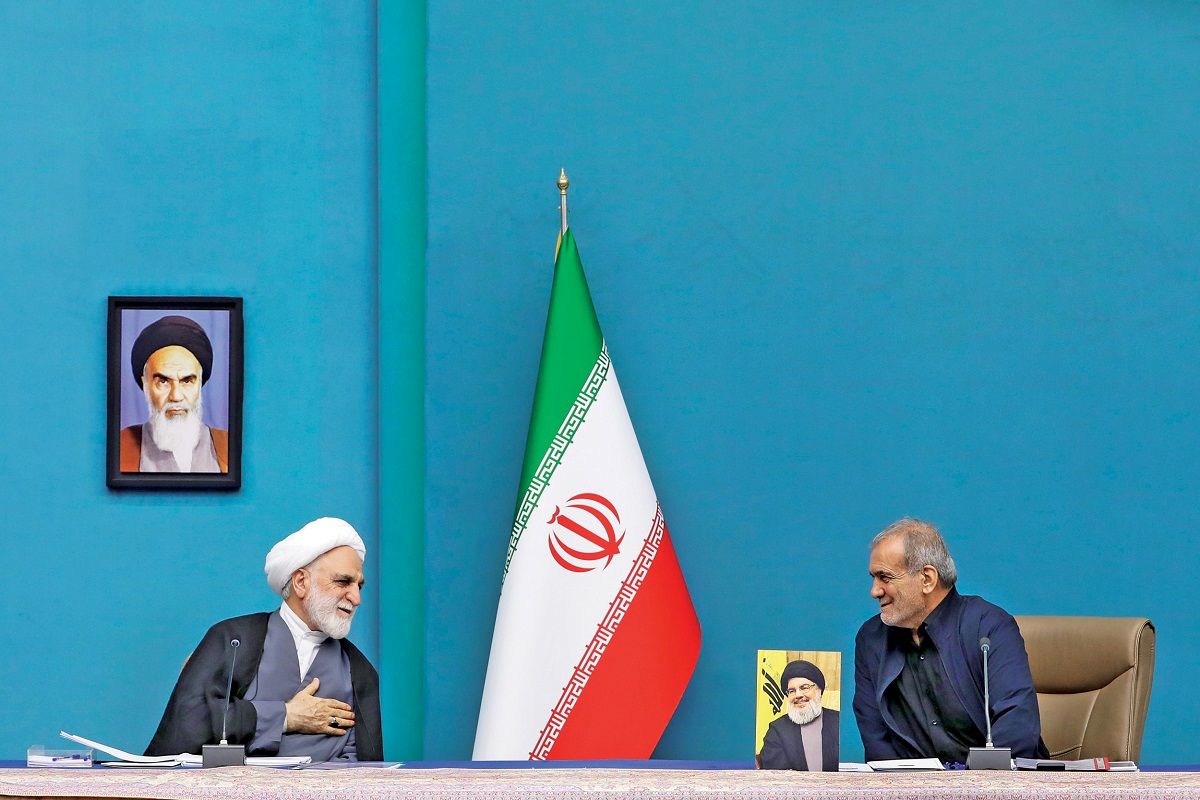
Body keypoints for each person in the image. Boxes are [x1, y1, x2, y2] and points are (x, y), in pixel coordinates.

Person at [146, 518, 383, 761]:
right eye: (343, 582)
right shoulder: (233, 640)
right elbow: (189, 723)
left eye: (359, 586)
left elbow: (361, 764)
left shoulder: (358, 670)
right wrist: (286, 716)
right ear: (301, 582)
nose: (356, 598)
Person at [853, 518, 1046, 763]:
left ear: (927, 578)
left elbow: (1017, 727)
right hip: (911, 784)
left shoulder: (988, 627)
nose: (875, 591)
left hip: (996, 781)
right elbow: (876, 739)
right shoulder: (871, 639)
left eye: (885, 577)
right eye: (874, 577)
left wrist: (972, 781)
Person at [119, 315, 228, 473]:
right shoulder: (120, 447)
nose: (176, 396)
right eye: (163, 381)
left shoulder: (228, 447)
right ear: (145, 384)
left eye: (187, 381)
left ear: (199, 384)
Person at [758, 660, 840, 771]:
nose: (798, 695)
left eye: (804, 688)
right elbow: (774, 774)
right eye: (791, 691)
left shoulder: (839, 721)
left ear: (819, 690)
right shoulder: (777, 729)